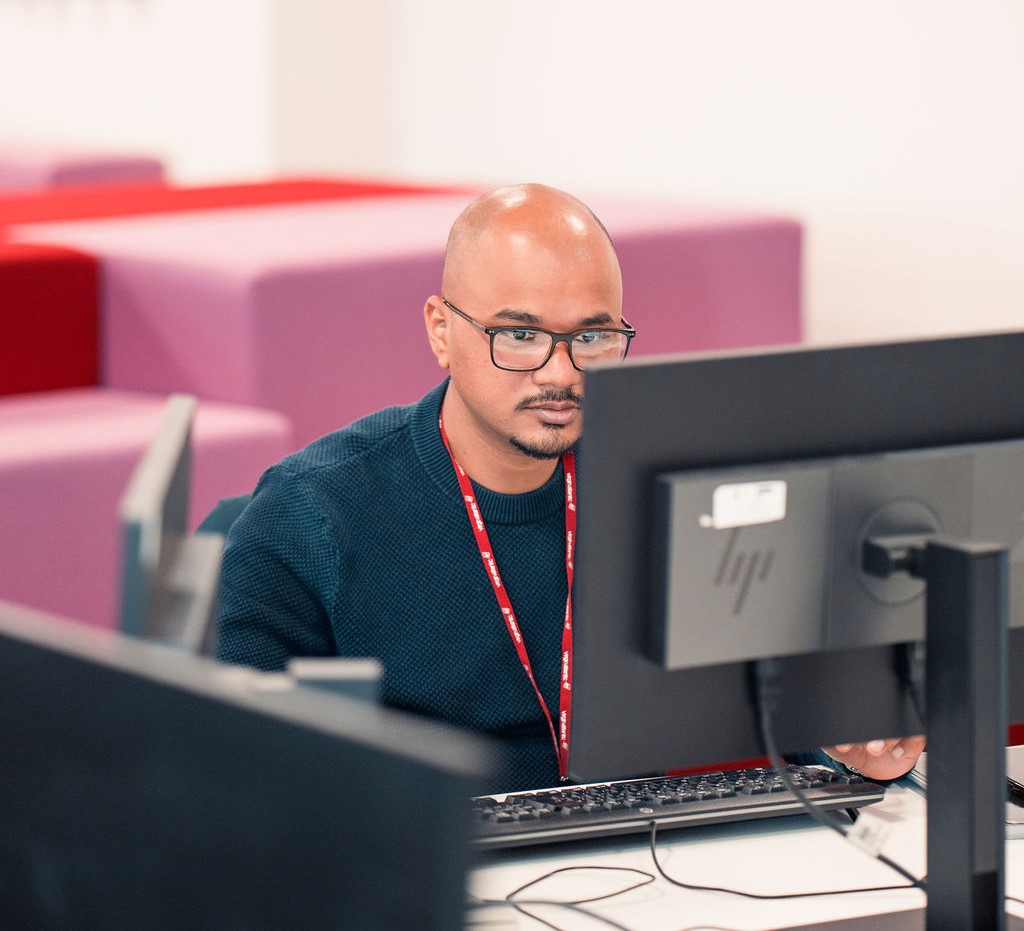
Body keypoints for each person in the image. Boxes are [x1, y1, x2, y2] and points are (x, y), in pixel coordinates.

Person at [216, 182, 924, 792]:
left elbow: (774, 713)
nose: (561, 373)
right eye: (518, 336)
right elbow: (237, 777)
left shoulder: (677, 483)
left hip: (656, 872)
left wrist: (849, 743)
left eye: (593, 337)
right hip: (430, 874)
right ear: (441, 330)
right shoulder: (314, 516)